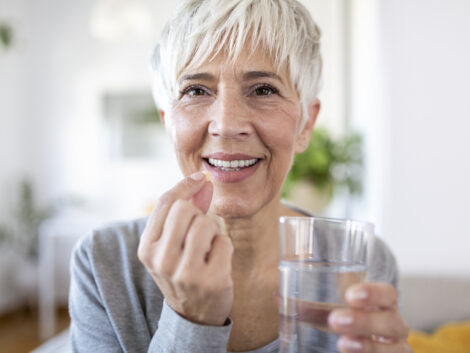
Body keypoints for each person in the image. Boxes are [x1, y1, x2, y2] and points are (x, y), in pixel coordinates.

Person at [69, 0, 412, 352]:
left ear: (306, 124)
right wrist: (190, 321)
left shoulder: (363, 261)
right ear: (167, 122)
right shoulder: (103, 263)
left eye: (263, 89)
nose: (227, 125)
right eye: (196, 91)